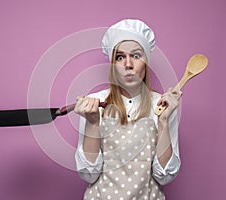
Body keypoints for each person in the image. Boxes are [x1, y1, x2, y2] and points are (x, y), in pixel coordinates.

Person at [74, 19, 182, 200]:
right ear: (112, 65)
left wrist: (163, 122)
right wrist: (92, 123)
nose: (128, 64)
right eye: (120, 57)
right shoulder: (95, 103)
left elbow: (164, 176)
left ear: (146, 62)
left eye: (136, 56)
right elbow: (89, 174)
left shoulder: (163, 105)